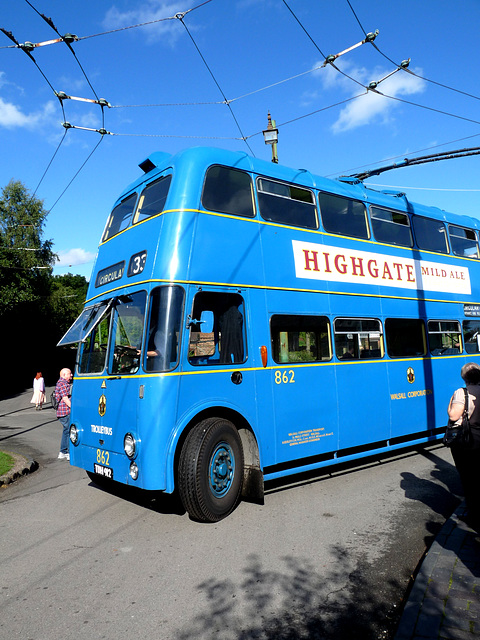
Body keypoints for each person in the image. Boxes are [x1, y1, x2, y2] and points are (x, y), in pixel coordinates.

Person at [447, 361, 480, 531]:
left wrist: (452, 400)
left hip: (467, 441)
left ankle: (473, 515)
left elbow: (453, 415)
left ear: (464, 376)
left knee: (469, 478)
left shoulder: (462, 393)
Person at [54, 368, 73, 461]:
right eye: (70, 373)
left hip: (63, 411)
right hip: (64, 411)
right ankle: (68, 452)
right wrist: (73, 408)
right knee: (69, 430)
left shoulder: (64, 383)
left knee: (66, 431)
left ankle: (63, 452)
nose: (72, 375)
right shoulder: (62, 383)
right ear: (64, 375)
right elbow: (65, 398)